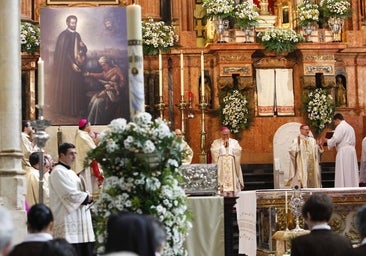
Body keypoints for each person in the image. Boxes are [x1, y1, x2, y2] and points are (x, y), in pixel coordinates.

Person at [49, 143, 95, 256]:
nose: (74, 156)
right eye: (71, 154)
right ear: (62, 155)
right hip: (67, 221)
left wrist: (87, 196)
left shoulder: (71, 172)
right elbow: (69, 194)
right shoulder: (58, 171)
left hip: (79, 218)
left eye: (75, 153)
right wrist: (87, 197)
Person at [52, 15, 88, 117]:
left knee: (77, 87)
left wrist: (83, 47)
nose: (74, 25)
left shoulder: (77, 35)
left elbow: (82, 50)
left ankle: (76, 110)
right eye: (72, 23)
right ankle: (68, 111)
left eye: (75, 23)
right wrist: (71, 63)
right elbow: (63, 53)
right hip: (66, 68)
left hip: (77, 66)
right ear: (67, 23)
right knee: (68, 88)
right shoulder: (63, 36)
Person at [85, 56, 126, 124]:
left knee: (99, 102)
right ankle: (90, 122)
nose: (103, 67)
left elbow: (123, 81)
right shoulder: (105, 71)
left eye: (104, 65)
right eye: (101, 66)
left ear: (108, 63)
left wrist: (115, 87)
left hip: (115, 93)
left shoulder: (116, 70)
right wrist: (89, 74)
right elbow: (100, 75)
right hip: (108, 91)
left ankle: (97, 123)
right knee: (93, 99)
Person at [323, 113, 359, 187]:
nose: (335, 124)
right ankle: (352, 187)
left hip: (344, 152)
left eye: (335, 122)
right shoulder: (350, 127)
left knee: (343, 171)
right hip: (351, 151)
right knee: (350, 171)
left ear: (337, 120)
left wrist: (327, 141)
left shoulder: (340, 126)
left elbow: (336, 139)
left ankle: (343, 187)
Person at [210, 126, 244, 197]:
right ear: (221, 134)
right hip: (221, 166)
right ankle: (221, 191)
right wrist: (221, 149)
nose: (225, 136)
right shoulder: (216, 142)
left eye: (227, 134)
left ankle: (232, 192)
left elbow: (239, 150)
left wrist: (231, 149)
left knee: (232, 182)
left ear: (229, 134)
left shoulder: (234, 142)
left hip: (232, 166)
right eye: (224, 134)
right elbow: (213, 150)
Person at [287, 124, 324, 188]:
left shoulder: (312, 140)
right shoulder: (297, 140)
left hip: (311, 165)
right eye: (306, 129)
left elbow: (317, 151)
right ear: (301, 130)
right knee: (302, 178)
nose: (307, 131)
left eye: (308, 129)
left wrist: (319, 146)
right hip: (302, 165)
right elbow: (291, 151)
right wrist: (298, 146)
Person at [74, 119, 103, 196]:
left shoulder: (82, 134)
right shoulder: (82, 136)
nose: (90, 127)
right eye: (89, 125)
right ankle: (88, 197)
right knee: (88, 183)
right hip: (86, 165)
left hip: (88, 163)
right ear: (86, 126)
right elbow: (91, 149)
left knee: (92, 182)